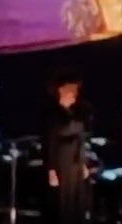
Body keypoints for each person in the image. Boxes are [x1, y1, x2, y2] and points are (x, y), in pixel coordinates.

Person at [43, 79, 89, 224]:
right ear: (61, 92)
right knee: (63, 202)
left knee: (76, 201)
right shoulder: (53, 114)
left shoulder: (75, 113)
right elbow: (50, 143)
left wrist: (83, 163)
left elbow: (81, 140)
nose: (74, 95)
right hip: (62, 164)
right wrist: (51, 170)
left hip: (76, 163)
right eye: (70, 91)